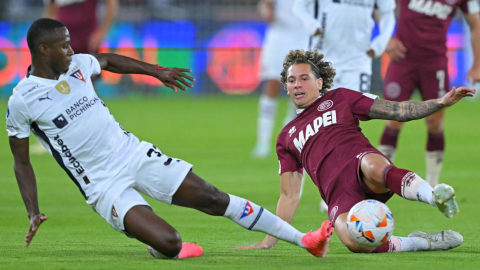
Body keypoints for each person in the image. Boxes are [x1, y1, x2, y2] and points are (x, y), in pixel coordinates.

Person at [7, 18, 336, 260]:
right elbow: (21, 162)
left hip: (133, 154)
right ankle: (153, 239)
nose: (71, 49)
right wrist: (33, 211)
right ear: (43, 49)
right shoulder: (23, 99)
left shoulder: (77, 65)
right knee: (170, 243)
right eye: (64, 45)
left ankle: (305, 240)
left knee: (212, 197)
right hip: (103, 185)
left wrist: (155, 71)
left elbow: (106, 61)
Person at [235, 49, 474, 253]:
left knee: (373, 165)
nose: (297, 83)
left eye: (304, 78)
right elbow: (289, 196)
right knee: (352, 241)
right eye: (291, 80)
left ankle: (434, 196)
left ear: (319, 83)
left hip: (361, 165)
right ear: (286, 87)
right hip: (338, 194)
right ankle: (420, 242)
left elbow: (397, 110)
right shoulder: (286, 137)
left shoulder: (340, 98)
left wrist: (439, 103)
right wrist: (269, 240)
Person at [292, 0, 396, 212]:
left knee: (345, 127)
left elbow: (388, 15)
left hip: (358, 63)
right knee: (310, 125)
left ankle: (334, 190)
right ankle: (295, 188)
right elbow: (298, 6)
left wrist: (379, 45)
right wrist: (312, 25)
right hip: (322, 60)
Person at [378, 0, 480, 187]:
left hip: (435, 63)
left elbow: (475, 23)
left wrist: (477, 65)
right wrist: (387, 39)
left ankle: (433, 185)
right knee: (393, 118)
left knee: (435, 122)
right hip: (403, 60)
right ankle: (378, 179)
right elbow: (377, 7)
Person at [252, 0, 310, 158]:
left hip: (304, 33)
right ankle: (263, 142)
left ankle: (291, 138)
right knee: (272, 83)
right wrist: (267, 10)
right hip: (280, 32)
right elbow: (266, 3)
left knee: (301, 87)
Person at [43, 0, 118, 54]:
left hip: (87, 40)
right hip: (63, 40)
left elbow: (111, 4)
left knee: (88, 73)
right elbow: (51, 10)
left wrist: (102, 32)